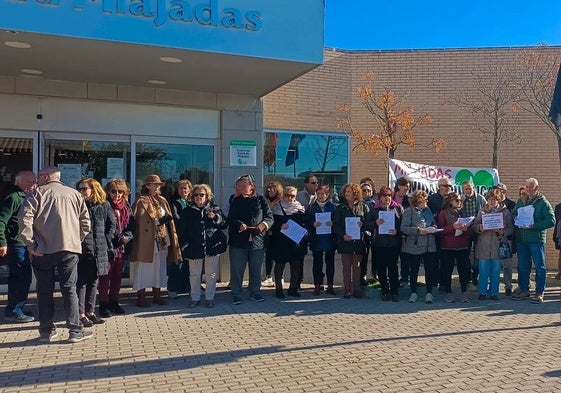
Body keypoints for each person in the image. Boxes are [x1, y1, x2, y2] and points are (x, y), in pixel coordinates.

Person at [18, 166, 92, 343]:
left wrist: (30, 244)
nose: (37, 180)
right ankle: (75, 330)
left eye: (39, 176)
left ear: (45, 176)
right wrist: (76, 239)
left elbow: (24, 218)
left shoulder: (37, 194)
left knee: (44, 291)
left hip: (42, 249)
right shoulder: (74, 194)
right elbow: (85, 222)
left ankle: (46, 331)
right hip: (69, 249)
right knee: (69, 289)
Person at [130, 175, 182, 307]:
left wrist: (165, 221)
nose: (158, 187)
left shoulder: (162, 200)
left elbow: (168, 219)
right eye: (155, 184)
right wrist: (157, 221)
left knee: (159, 268)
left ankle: (157, 295)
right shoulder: (141, 201)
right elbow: (139, 221)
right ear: (147, 186)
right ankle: (140, 296)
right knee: (143, 268)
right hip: (147, 239)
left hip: (162, 238)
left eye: (159, 185)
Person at [178, 184, 227, 308]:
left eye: (201, 195)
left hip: (212, 247)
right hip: (194, 247)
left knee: (211, 274)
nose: (199, 197)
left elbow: (224, 224)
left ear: (207, 196)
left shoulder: (214, 208)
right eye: (196, 195)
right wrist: (185, 245)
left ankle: (209, 298)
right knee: (194, 274)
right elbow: (182, 231)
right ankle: (195, 298)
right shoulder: (187, 211)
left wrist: (215, 217)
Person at [75, 178, 117, 326]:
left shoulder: (104, 205)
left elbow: (112, 224)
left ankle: (90, 312)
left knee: (94, 280)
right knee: (81, 282)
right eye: (79, 189)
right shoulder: (77, 204)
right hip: (82, 248)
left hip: (100, 248)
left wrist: (106, 240)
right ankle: (80, 314)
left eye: (84, 188)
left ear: (93, 189)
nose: (81, 191)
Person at [227, 174, 274, 305]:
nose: (241, 187)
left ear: (251, 186)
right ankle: (236, 293)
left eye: (244, 185)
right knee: (237, 269)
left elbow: (270, 217)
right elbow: (231, 219)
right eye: (239, 185)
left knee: (256, 269)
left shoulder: (261, 200)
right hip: (239, 242)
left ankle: (255, 292)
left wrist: (263, 225)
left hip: (258, 241)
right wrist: (239, 225)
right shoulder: (235, 200)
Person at [0, 171, 37, 323]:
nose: (35, 184)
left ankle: (17, 307)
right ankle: (13, 311)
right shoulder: (14, 198)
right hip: (15, 244)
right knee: (20, 278)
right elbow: (1, 220)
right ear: (22, 182)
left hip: (22, 243)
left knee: (23, 277)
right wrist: (2, 242)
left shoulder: (25, 197)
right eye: (33, 182)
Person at [512, 178, 555, 303]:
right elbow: (513, 212)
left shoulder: (543, 203)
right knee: (523, 267)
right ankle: (524, 290)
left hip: (536, 240)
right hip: (522, 240)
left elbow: (551, 220)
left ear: (537, 188)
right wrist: (515, 217)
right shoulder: (521, 201)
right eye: (527, 187)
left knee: (540, 267)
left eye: (531, 187)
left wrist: (534, 226)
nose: (529, 189)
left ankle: (539, 293)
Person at [99, 179, 135, 316]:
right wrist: (113, 240)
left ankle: (114, 302)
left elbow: (131, 224)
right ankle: (103, 305)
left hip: (122, 247)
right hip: (108, 246)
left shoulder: (126, 206)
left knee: (117, 276)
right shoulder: (104, 205)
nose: (117, 194)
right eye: (114, 191)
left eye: (121, 192)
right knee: (105, 277)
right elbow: (102, 227)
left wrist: (128, 236)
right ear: (108, 192)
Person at [472, 189, 514, 300]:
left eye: (494, 200)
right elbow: (475, 226)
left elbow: (511, 228)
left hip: (498, 245)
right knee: (483, 270)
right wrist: (480, 228)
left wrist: (503, 232)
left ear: (499, 200)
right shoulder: (482, 211)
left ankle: (494, 292)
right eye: (490, 199)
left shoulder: (505, 212)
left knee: (495, 271)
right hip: (484, 246)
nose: (491, 202)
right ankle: (482, 292)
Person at [365, 186, 403, 302]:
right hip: (379, 244)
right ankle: (385, 291)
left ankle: (395, 292)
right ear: (379, 197)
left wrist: (397, 231)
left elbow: (404, 225)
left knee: (393, 268)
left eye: (389, 195)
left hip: (393, 244)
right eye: (384, 195)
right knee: (381, 269)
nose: (387, 198)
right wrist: (375, 223)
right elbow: (365, 225)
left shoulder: (398, 209)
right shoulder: (374, 210)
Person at [270, 186, 309, 298]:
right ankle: (278, 290)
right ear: (283, 195)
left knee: (296, 265)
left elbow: (305, 224)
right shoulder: (276, 208)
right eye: (287, 195)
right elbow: (271, 224)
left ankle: (293, 289)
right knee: (279, 266)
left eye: (293, 196)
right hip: (280, 242)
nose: (290, 198)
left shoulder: (300, 208)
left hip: (296, 242)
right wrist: (279, 226)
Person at [400, 190, 438, 304]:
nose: (426, 202)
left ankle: (429, 293)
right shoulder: (409, 211)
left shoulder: (428, 210)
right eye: (424, 200)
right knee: (414, 270)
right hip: (415, 245)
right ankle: (413, 293)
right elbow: (403, 228)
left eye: (427, 199)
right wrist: (418, 230)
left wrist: (434, 227)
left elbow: (433, 222)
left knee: (429, 269)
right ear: (418, 201)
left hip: (429, 245)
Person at [332, 183, 369, 299]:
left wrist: (363, 225)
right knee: (346, 266)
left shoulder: (363, 206)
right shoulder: (340, 207)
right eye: (346, 192)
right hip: (345, 241)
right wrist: (343, 235)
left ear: (355, 193)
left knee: (357, 266)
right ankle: (347, 289)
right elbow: (336, 225)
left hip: (358, 242)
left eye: (350, 191)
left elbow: (369, 222)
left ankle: (356, 288)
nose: (347, 194)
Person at [437, 192, 472, 303]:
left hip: (462, 246)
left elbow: (471, 231)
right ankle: (448, 292)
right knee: (448, 270)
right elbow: (440, 231)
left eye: (460, 200)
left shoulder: (464, 213)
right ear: (450, 201)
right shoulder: (443, 213)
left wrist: (466, 229)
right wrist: (452, 227)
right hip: (448, 247)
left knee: (464, 271)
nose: (459, 202)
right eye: (457, 200)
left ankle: (464, 292)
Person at [308, 184, 337, 295]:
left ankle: (330, 285)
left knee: (330, 263)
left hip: (329, 239)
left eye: (323, 194)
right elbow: (307, 221)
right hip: (317, 239)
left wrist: (333, 223)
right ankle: (317, 285)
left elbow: (338, 222)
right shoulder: (312, 207)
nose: (320, 196)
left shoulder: (333, 207)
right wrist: (312, 224)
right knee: (317, 263)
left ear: (327, 195)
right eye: (318, 193)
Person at [168, 179, 193, 299]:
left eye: (185, 188)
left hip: (191, 237)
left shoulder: (192, 202)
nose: (183, 190)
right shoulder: (174, 202)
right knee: (177, 263)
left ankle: (188, 287)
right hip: (179, 236)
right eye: (180, 188)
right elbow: (176, 218)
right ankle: (172, 289)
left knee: (189, 264)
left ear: (189, 189)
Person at [460, 180, 486, 286]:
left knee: (478, 254)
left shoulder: (480, 199)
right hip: (466, 230)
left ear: (474, 188)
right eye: (466, 188)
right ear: (463, 190)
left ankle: (476, 275)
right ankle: (467, 275)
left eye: (470, 188)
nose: (468, 190)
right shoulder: (461, 199)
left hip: (478, 230)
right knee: (465, 253)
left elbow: (486, 212)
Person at [492, 182, 516, 295]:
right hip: (492, 240)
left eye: (499, 190)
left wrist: (504, 232)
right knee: (494, 264)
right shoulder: (490, 205)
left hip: (506, 239)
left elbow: (513, 225)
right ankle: (493, 286)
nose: (496, 192)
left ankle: (508, 286)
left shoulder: (511, 205)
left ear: (504, 191)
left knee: (507, 265)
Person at [263, 181, 283, 287]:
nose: (270, 190)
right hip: (267, 232)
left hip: (278, 232)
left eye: (273, 189)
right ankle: (268, 276)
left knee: (279, 254)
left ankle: (280, 277)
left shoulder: (281, 201)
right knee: (269, 255)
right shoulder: (264, 201)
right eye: (269, 189)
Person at [393, 176, 411, 285]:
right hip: (392, 233)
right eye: (405, 187)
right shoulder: (391, 197)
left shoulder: (409, 200)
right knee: (393, 258)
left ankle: (404, 279)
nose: (406, 189)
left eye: (408, 188)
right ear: (399, 186)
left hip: (404, 234)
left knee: (405, 258)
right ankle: (393, 280)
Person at [360, 182, 376, 285]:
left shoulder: (375, 203)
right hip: (362, 233)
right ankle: (363, 275)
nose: (366, 192)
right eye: (364, 190)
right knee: (364, 256)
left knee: (376, 255)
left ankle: (374, 274)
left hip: (374, 233)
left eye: (368, 190)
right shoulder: (359, 203)